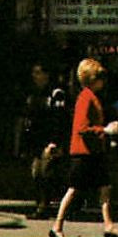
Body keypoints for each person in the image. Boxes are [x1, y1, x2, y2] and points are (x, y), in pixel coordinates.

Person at [50, 58, 118, 237]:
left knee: (105, 188)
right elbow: (82, 128)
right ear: (93, 79)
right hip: (85, 152)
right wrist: (106, 130)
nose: (103, 81)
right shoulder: (86, 97)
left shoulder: (90, 96)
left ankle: (108, 225)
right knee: (75, 189)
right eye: (100, 77)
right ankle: (57, 226)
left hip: (93, 152)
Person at [18, 64, 68, 219]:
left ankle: (44, 206)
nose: (35, 76)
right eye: (34, 73)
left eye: (38, 73)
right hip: (35, 140)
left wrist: (56, 142)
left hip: (49, 140)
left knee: (45, 173)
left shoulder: (55, 93)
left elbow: (59, 119)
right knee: (36, 173)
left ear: (46, 75)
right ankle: (40, 203)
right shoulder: (33, 94)